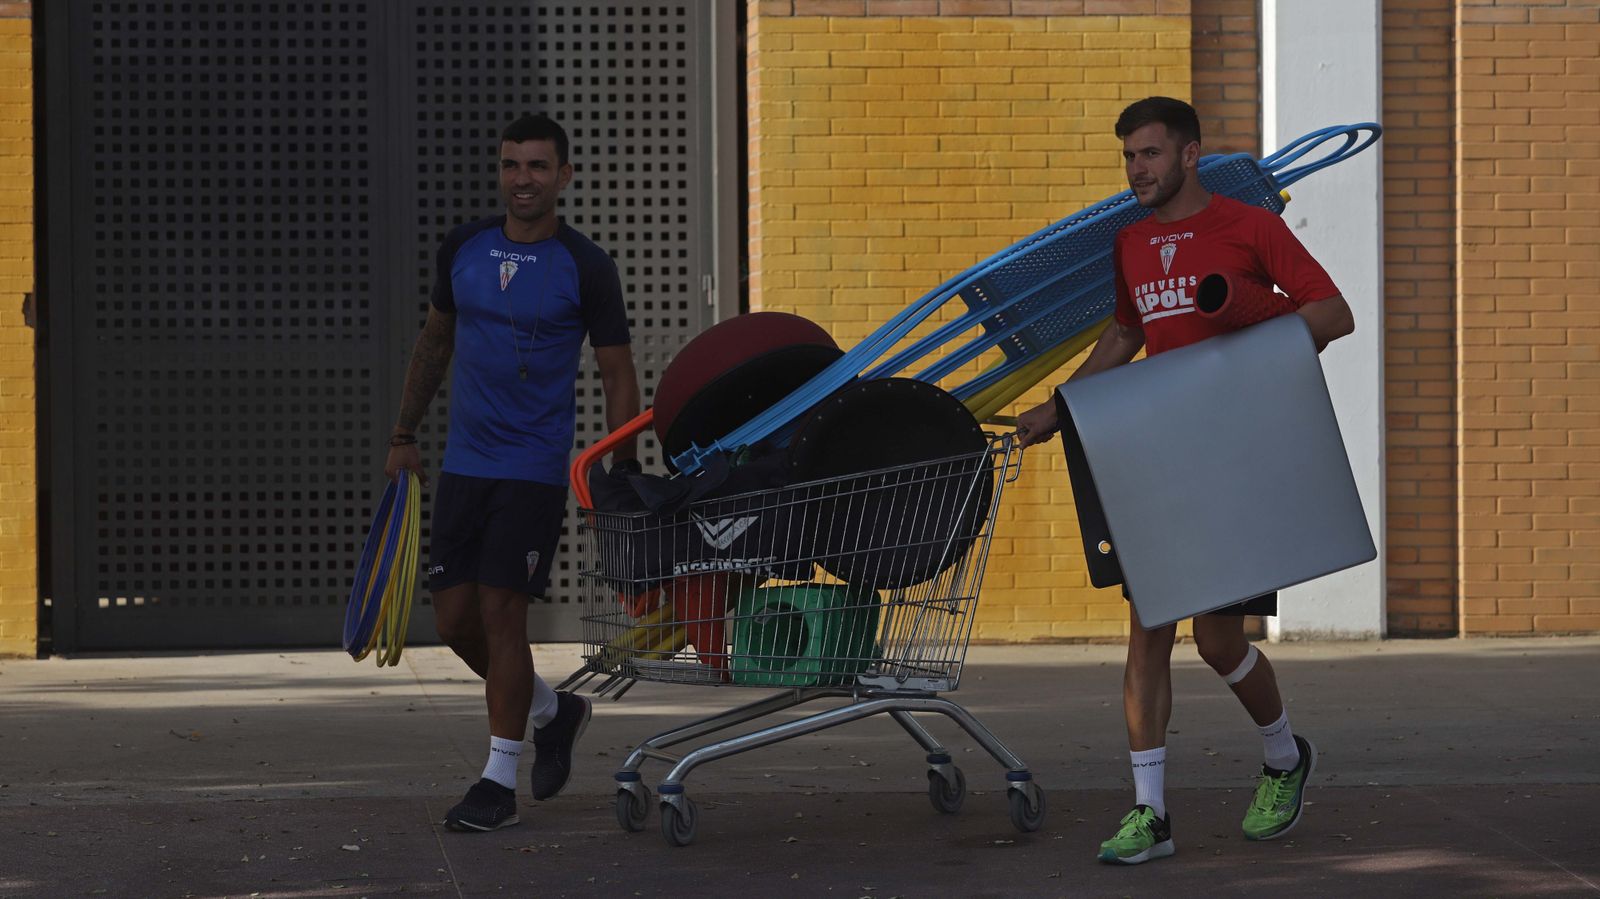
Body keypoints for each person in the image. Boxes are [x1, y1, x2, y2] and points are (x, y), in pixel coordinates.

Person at [1016, 97, 1355, 865]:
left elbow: (1333, 315)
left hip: (1233, 455)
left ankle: (1283, 756)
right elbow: (1128, 331)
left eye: (1151, 154)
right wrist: (1058, 407)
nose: (1138, 169)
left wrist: (1254, 338)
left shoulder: (1249, 227)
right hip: (1159, 458)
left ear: (1191, 154)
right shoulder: (1131, 241)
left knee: (1217, 639)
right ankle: (1150, 815)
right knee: (1148, 632)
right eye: (1130, 157)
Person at [384, 113, 640, 832]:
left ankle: (498, 779)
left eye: (537, 166)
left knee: (502, 612)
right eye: (511, 165)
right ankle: (556, 711)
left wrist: (624, 467)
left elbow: (617, 372)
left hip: (531, 470)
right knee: (455, 620)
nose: (522, 178)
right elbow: (435, 341)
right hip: (465, 464)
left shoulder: (585, 265)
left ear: (564, 176)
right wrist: (404, 433)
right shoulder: (464, 247)